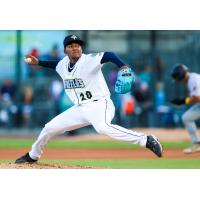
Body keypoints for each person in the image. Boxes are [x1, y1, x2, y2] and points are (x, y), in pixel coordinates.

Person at [15, 34, 162, 164]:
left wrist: (122, 66)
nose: (75, 48)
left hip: (99, 104)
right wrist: (38, 62)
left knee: (102, 128)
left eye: (78, 45)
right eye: (71, 46)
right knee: (49, 128)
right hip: (80, 109)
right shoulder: (62, 64)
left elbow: (109, 55)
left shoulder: (89, 60)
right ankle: (33, 155)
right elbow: (54, 65)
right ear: (65, 50)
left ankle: (146, 140)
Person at [171, 64, 200, 153]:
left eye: (177, 79)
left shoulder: (193, 79)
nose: (178, 81)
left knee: (186, 117)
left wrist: (183, 101)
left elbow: (197, 97)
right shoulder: (191, 79)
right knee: (186, 117)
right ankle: (196, 143)